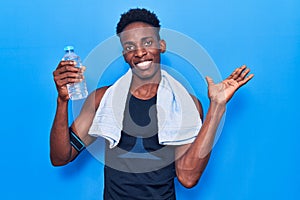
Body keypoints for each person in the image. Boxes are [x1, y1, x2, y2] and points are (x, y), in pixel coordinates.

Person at [51, 8, 254, 200]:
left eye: (147, 42)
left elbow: (188, 178)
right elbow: (61, 157)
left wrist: (217, 106)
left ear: (161, 46)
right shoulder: (102, 100)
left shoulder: (184, 105)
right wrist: (62, 100)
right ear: (124, 54)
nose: (139, 53)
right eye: (130, 47)